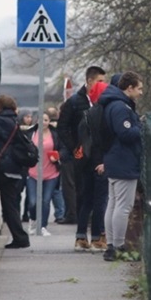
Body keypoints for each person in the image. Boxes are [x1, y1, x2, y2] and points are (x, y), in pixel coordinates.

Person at [99, 71, 143, 261]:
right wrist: (140, 127)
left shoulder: (112, 103)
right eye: (139, 88)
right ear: (129, 88)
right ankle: (117, 246)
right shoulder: (121, 107)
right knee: (123, 207)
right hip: (124, 160)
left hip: (114, 158)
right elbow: (125, 133)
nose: (141, 92)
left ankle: (112, 244)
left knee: (113, 203)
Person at [56, 66, 107, 224]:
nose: (103, 85)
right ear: (90, 81)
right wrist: (74, 147)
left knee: (96, 192)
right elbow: (62, 127)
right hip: (79, 154)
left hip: (98, 153)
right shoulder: (74, 102)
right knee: (80, 190)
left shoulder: (103, 101)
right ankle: (80, 224)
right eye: (100, 81)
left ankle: (94, 224)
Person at [74, 81, 110, 252]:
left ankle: (81, 236)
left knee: (87, 200)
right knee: (100, 201)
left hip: (86, 162)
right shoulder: (105, 113)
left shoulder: (87, 113)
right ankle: (97, 237)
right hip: (100, 162)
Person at [0, 95, 30, 249]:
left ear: (1, 106)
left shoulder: (0, 121)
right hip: (11, 168)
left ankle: (21, 238)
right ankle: (20, 237)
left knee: (9, 205)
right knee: (10, 204)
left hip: (2, 169)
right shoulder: (11, 120)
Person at [45, 106, 66, 222]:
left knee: (54, 192)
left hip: (51, 165)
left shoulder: (53, 133)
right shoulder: (59, 129)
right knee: (57, 191)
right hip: (52, 164)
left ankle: (59, 213)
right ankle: (60, 213)